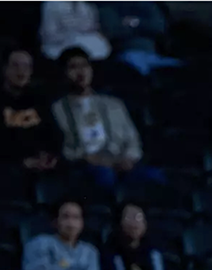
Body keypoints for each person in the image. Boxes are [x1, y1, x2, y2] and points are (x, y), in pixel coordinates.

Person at [51, 48, 158, 190]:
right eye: (73, 67)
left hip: (119, 161)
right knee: (104, 176)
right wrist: (85, 158)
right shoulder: (58, 108)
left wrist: (129, 159)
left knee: (155, 176)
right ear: (64, 73)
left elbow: (132, 139)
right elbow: (63, 147)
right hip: (86, 165)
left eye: (84, 66)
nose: (80, 72)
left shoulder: (114, 104)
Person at [0, 47, 59, 171]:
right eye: (15, 66)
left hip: (41, 166)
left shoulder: (39, 99)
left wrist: (49, 155)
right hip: (6, 168)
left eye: (26, 67)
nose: (21, 71)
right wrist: (22, 162)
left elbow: (53, 133)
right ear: (4, 69)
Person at [21, 198, 101, 270]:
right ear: (55, 221)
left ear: (82, 223)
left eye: (76, 218)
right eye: (65, 217)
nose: (71, 223)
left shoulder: (90, 252)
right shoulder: (39, 244)